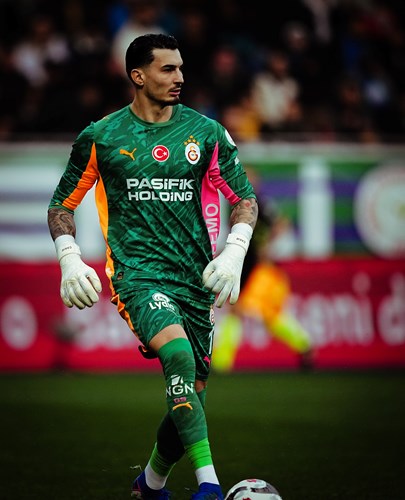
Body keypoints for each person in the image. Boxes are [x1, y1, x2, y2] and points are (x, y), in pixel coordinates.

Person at [47, 34, 258, 500]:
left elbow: (244, 198)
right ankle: (210, 487)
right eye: (167, 69)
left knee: (192, 394)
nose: (179, 77)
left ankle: (151, 484)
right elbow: (61, 205)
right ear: (138, 76)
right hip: (137, 276)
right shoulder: (101, 137)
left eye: (180, 68)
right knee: (178, 357)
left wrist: (234, 251)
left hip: (196, 281)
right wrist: (69, 257)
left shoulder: (206, 133)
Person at [212, 191, 313, 373]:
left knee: (248, 312)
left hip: (261, 273)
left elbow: (281, 224)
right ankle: (304, 346)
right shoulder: (241, 209)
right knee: (257, 314)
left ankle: (221, 362)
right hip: (252, 270)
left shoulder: (259, 207)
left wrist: (266, 246)